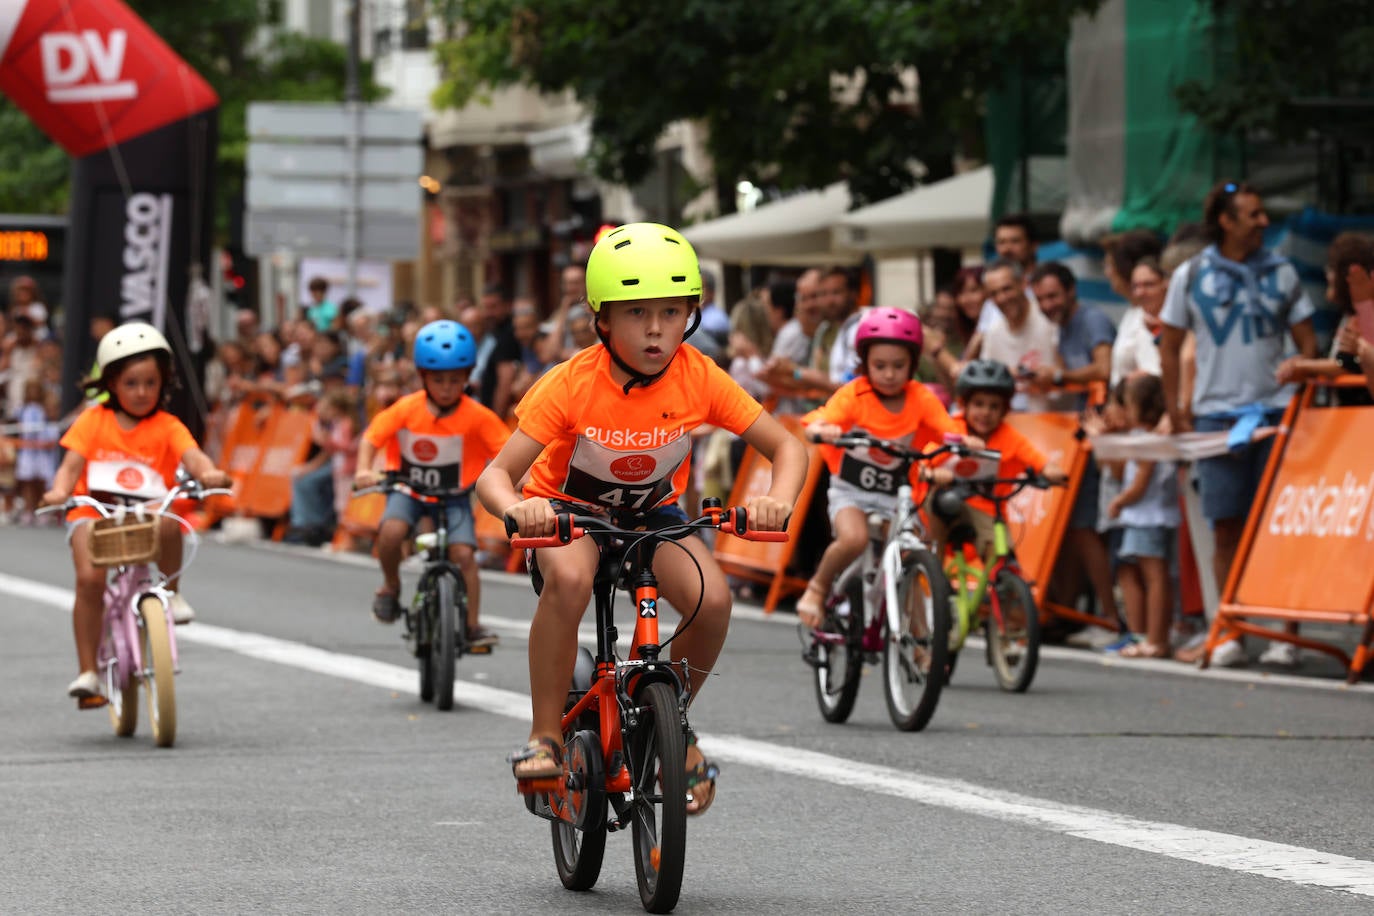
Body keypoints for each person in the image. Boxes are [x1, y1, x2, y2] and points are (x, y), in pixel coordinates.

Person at [476, 223, 805, 811]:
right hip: (566, 516)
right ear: (602, 319)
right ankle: (544, 735)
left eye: (671, 311)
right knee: (573, 579)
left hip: (653, 517)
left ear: (691, 315)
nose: (656, 329)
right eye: (636, 313)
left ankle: (671, 722)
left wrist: (776, 496)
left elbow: (788, 448)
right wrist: (518, 508)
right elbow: (493, 477)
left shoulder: (699, 374)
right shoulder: (571, 383)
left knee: (713, 599)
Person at [1160, 180, 1318, 668]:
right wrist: (1177, 408)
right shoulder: (1190, 274)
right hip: (1218, 418)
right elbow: (1168, 345)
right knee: (1225, 527)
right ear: (1226, 222)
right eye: (1253, 214)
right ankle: (1229, 630)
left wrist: (1299, 387)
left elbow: (1309, 345)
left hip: (1275, 415)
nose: (1264, 222)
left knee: (1276, 526)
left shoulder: (1283, 271)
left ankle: (1285, 633)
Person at [41, 322, 230, 700]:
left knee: (170, 524)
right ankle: (88, 672)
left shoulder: (168, 425)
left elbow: (192, 455)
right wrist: (60, 490)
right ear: (112, 383)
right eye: (131, 383)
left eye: (150, 383)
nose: (141, 392)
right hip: (93, 514)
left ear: (163, 384)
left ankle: (171, 592)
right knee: (91, 582)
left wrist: (208, 472)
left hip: (146, 512)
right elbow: (71, 465)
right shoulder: (93, 421)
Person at [795, 307, 976, 627]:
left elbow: (946, 429)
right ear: (865, 364)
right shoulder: (854, 394)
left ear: (913, 365)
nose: (889, 374)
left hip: (898, 494)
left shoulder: (920, 397)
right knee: (854, 539)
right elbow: (818, 420)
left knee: (912, 556)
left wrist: (962, 442)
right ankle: (818, 587)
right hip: (852, 490)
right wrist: (824, 429)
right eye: (880, 366)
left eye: (899, 365)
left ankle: (922, 641)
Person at [354, 320, 509, 648]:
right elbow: (372, 437)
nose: (447, 388)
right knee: (391, 533)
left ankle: (472, 626)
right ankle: (390, 585)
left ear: (467, 377)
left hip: (455, 497)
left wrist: (521, 481)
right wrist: (363, 469)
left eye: (455, 380)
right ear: (423, 377)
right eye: (438, 380)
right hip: (408, 490)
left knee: (464, 555)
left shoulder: (478, 416)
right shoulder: (407, 408)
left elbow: (509, 452)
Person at [924, 360, 1068, 563]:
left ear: (1004, 410)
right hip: (945, 509)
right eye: (979, 404)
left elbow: (1039, 461)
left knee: (1003, 556)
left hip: (987, 511)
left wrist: (1053, 472)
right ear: (964, 404)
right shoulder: (953, 430)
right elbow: (924, 461)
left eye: (994, 406)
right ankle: (934, 569)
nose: (985, 412)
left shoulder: (1009, 436)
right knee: (944, 503)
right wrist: (932, 474)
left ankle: (1001, 586)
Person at [1105, 374, 1178, 660]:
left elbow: (1140, 483)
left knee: (1156, 576)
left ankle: (1157, 639)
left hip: (1149, 516)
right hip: (1142, 516)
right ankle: (1150, 636)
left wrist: (1120, 501)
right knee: (1150, 574)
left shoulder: (1150, 441)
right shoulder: (1140, 437)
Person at [979, 259, 1059, 411]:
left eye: (1007, 289)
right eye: (994, 293)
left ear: (1023, 284)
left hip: (1059, 423)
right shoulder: (993, 334)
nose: (1002, 298)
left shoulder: (1049, 320)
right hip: (1013, 426)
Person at [1111, 257, 1168, 385]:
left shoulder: (1178, 323)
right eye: (1135, 286)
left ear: (1165, 285)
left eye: (1149, 284)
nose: (1140, 292)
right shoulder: (1133, 316)